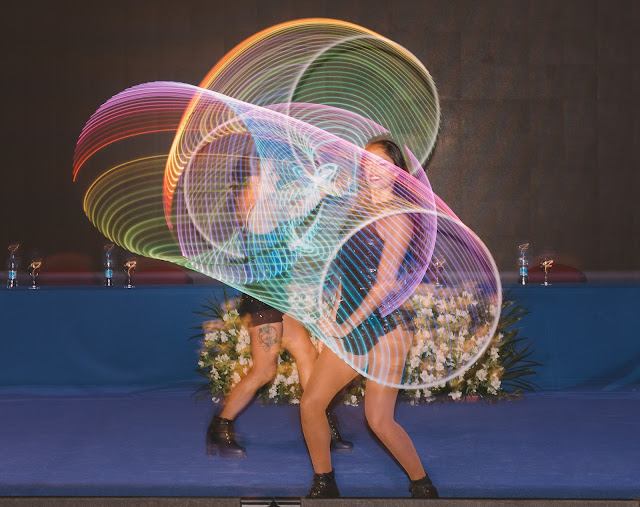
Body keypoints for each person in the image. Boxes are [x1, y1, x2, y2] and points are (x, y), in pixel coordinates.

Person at [300, 140, 439, 498]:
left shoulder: (397, 216)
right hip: (350, 316)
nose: (373, 168)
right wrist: (333, 315)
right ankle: (324, 482)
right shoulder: (357, 206)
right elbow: (342, 268)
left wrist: (345, 326)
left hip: (384, 324)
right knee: (312, 403)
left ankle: (422, 485)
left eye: (382, 163)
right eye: (367, 162)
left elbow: (383, 286)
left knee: (378, 419)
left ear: (396, 170)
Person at [206, 140, 353, 458]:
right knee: (264, 371)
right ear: (256, 172)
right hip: (263, 301)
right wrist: (319, 191)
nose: (277, 173)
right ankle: (220, 427)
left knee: (305, 354)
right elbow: (274, 217)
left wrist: (320, 191)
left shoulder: (268, 198)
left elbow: (291, 214)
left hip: (277, 298)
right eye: (271, 168)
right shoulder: (252, 199)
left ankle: (321, 423)